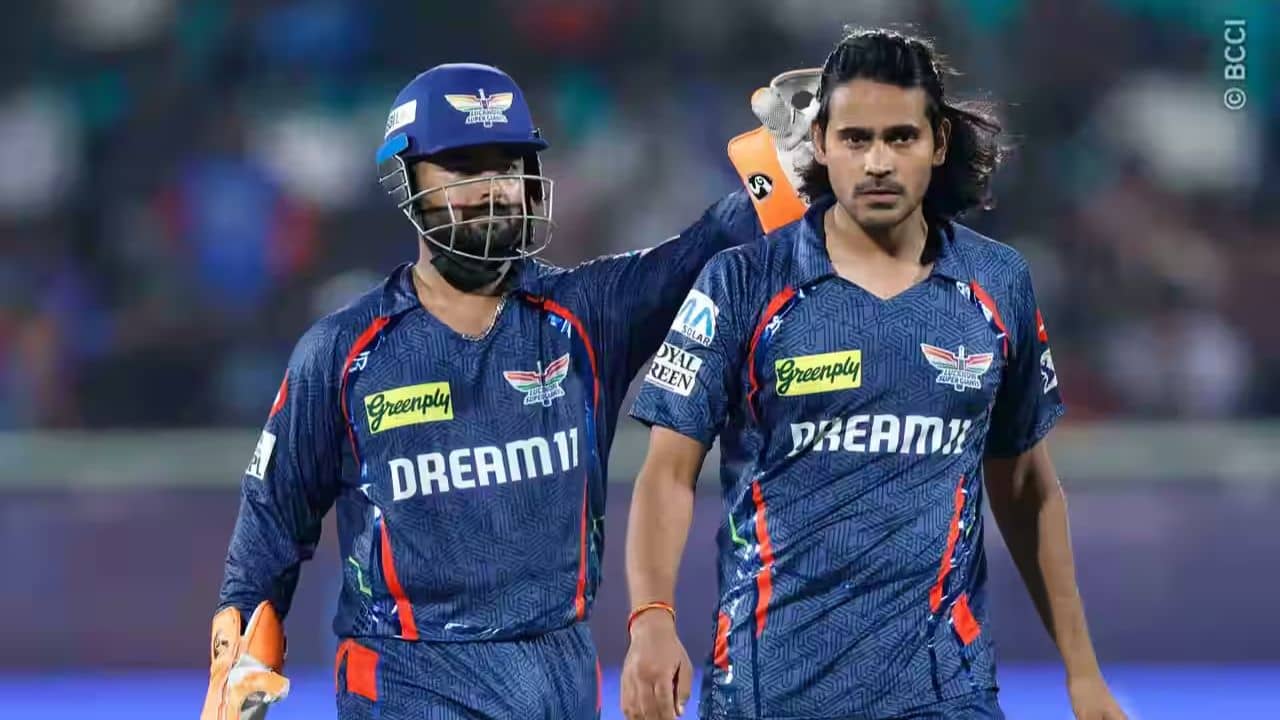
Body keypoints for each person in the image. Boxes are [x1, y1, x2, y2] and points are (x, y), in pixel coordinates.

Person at [198, 62, 779, 719]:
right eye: (462, 168)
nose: (491, 189)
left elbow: (708, 246)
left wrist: (790, 161)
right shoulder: (342, 351)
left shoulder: (585, 317)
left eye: (506, 166)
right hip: (406, 680)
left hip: (557, 679)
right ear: (408, 181)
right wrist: (238, 650)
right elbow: (273, 517)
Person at [622, 29, 1127, 720]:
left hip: (946, 696)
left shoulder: (998, 281)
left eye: (901, 137)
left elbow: (1027, 488)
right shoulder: (741, 282)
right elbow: (667, 472)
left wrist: (1083, 673)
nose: (879, 162)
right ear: (820, 143)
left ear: (938, 142)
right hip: (770, 694)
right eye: (856, 139)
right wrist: (651, 617)